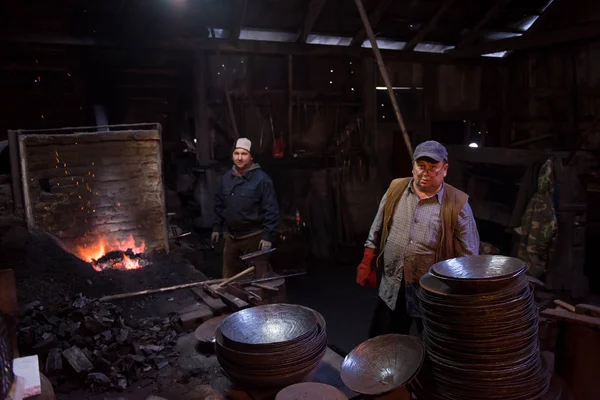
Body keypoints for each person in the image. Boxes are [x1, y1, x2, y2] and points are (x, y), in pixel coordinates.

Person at [356, 140, 480, 337]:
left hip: (432, 290)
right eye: (421, 166)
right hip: (393, 283)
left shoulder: (457, 203)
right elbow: (377, 226)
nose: (426, 172)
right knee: (386, 343)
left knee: (434, 345)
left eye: (433, 167)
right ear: (413, 166)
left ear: (445, 169)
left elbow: (468, 254)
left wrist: (462, 292)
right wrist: (368, 259)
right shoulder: (396, 189)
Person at [211, 138, 279, 278]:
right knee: (229, 280)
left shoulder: (262, 180)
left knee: (256, 280)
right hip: (231, 238)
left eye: (244, 154)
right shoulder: (226, 179)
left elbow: (271, 210)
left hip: (254, 239)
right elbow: (219, 205)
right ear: (232, 156)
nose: (239, 158)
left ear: (251, 157)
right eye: (236, 153)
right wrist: (217, 228)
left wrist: (267, 236)